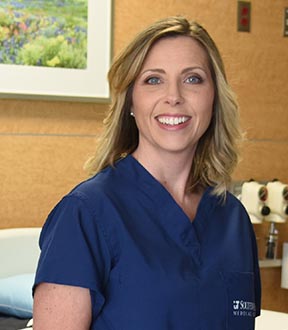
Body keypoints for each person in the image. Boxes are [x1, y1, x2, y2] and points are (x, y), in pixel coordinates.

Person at [33, 16, 261, 330]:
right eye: (153, 80)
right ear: (130, 100)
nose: (174, 96)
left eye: (193, 79)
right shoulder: (85, 213)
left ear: (215, 97)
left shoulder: (232, 218)